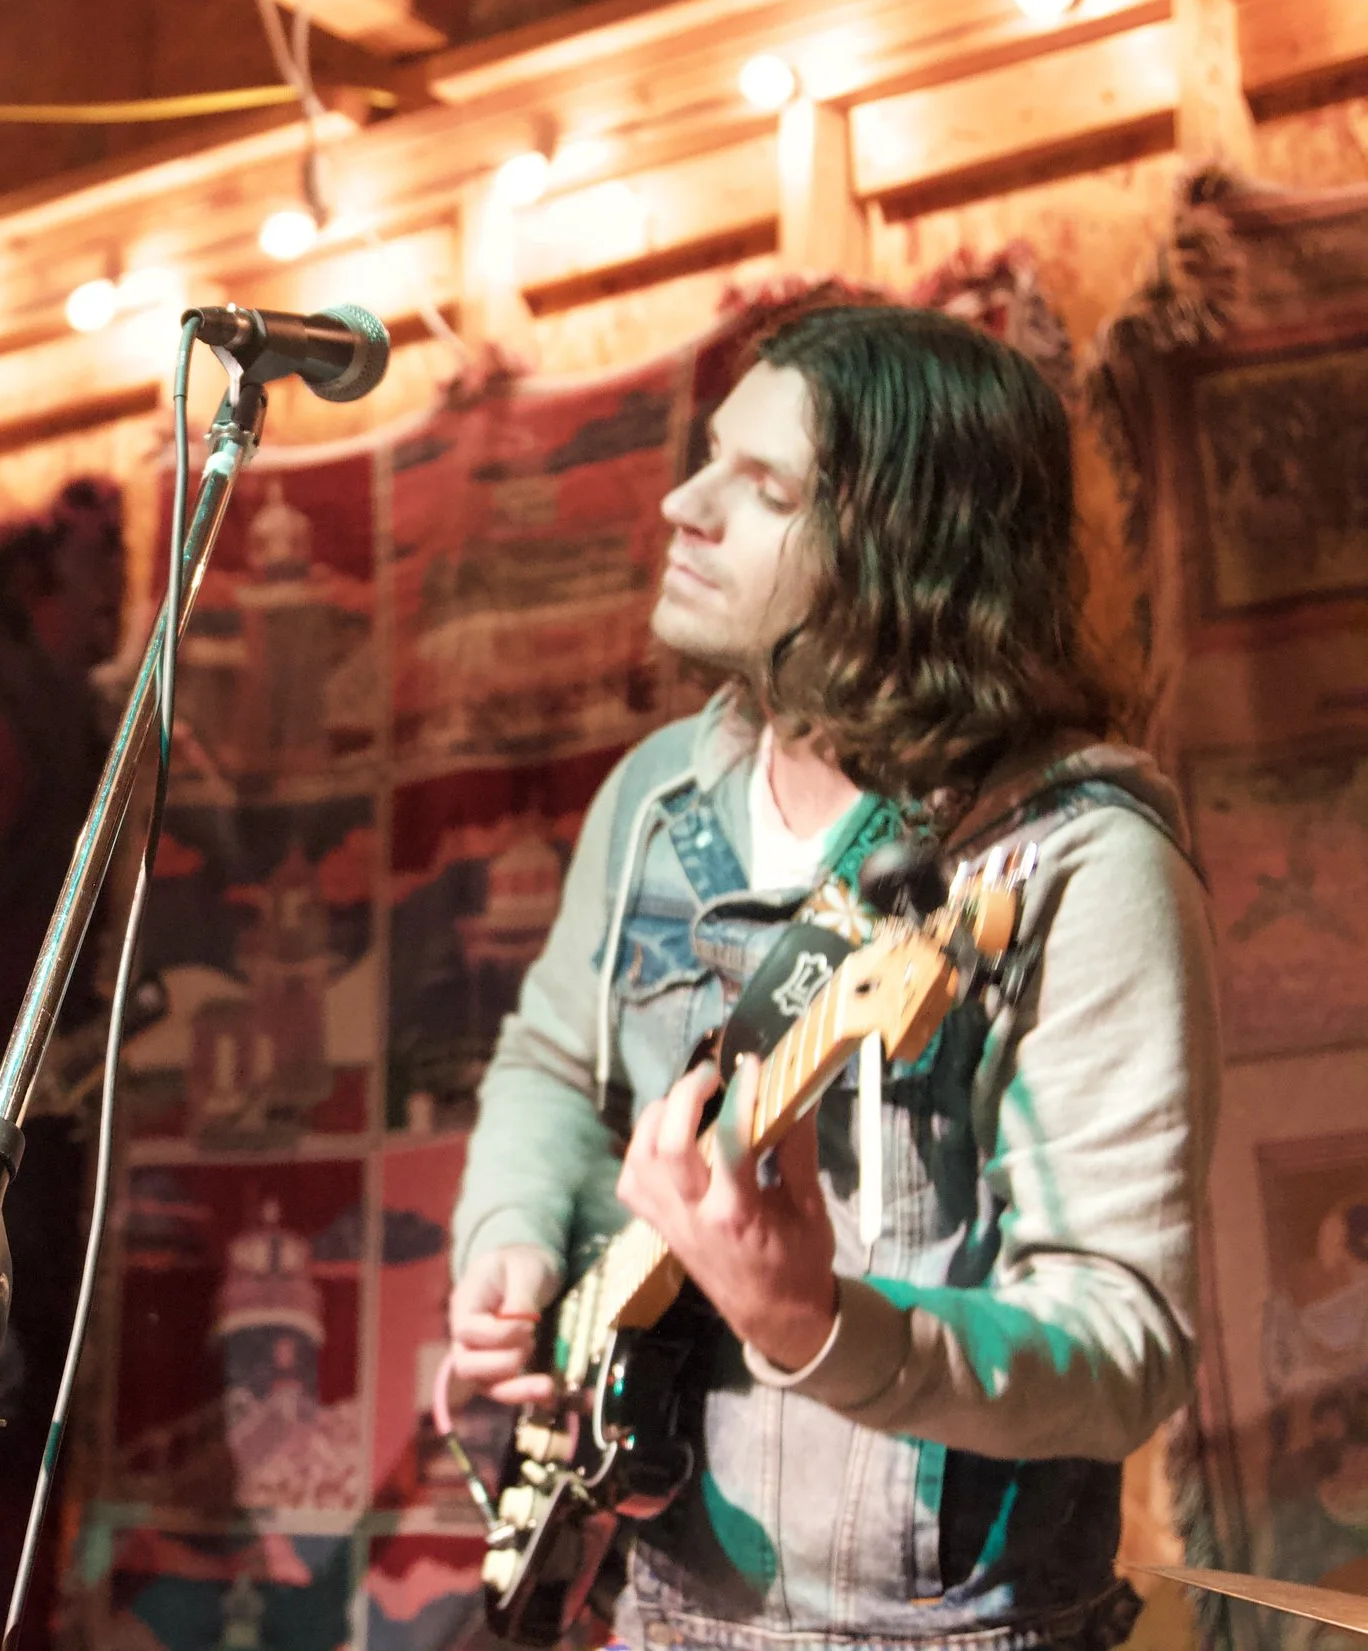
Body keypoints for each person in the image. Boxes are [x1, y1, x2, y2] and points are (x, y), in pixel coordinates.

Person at [446, 305, 1220, 1649]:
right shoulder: (653, 801)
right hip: (655, 1606)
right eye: (706, 460)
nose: (684, 504)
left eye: (766, 488)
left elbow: (1120, 1345)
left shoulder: (1078, 863)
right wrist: (514, 1233)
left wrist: (816, 1322)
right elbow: (548, 1066)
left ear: (904, 551)